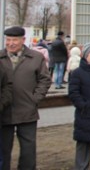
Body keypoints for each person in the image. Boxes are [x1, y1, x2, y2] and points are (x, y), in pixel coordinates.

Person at [0, 26, 51, 170]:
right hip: (4, 111)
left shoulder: (36, 57)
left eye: (14, 40)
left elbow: (45, 80)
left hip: (27, 110)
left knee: (28, 151)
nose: (11, 43)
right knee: (4, 151)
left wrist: (35, 98)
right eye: (8, 40)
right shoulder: (0, 57)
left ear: (23, 40)